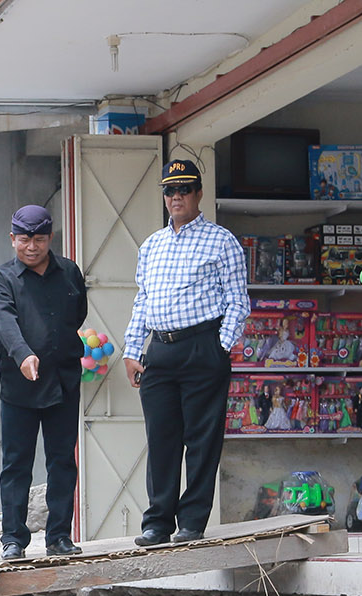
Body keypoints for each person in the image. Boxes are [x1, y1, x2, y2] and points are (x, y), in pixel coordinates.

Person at [122, 159, 251, 547]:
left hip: (203, 347)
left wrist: (221, 345)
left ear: (197, 194)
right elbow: (142, 301)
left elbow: (238, 301)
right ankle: (157, 523)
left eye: (184, 189)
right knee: (161, 438)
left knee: (201, 439)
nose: (176, 197)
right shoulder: (151, 245)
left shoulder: (221, 240)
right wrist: (132, 350)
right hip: (160, 350)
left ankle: (192, 520)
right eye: (169, 190)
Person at [0, 203, 87, 561]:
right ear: (12, 239)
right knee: (16, 464)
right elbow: (5, 323)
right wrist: (24, 354)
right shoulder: (1, 279)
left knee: (62, 461)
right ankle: (13, 538)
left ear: (50, 238)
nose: (32, 247)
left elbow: (79, 314)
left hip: (63, 381)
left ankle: (59, 536)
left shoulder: (70, 272)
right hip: (19, 386)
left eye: (39, 240)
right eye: (24, 240)